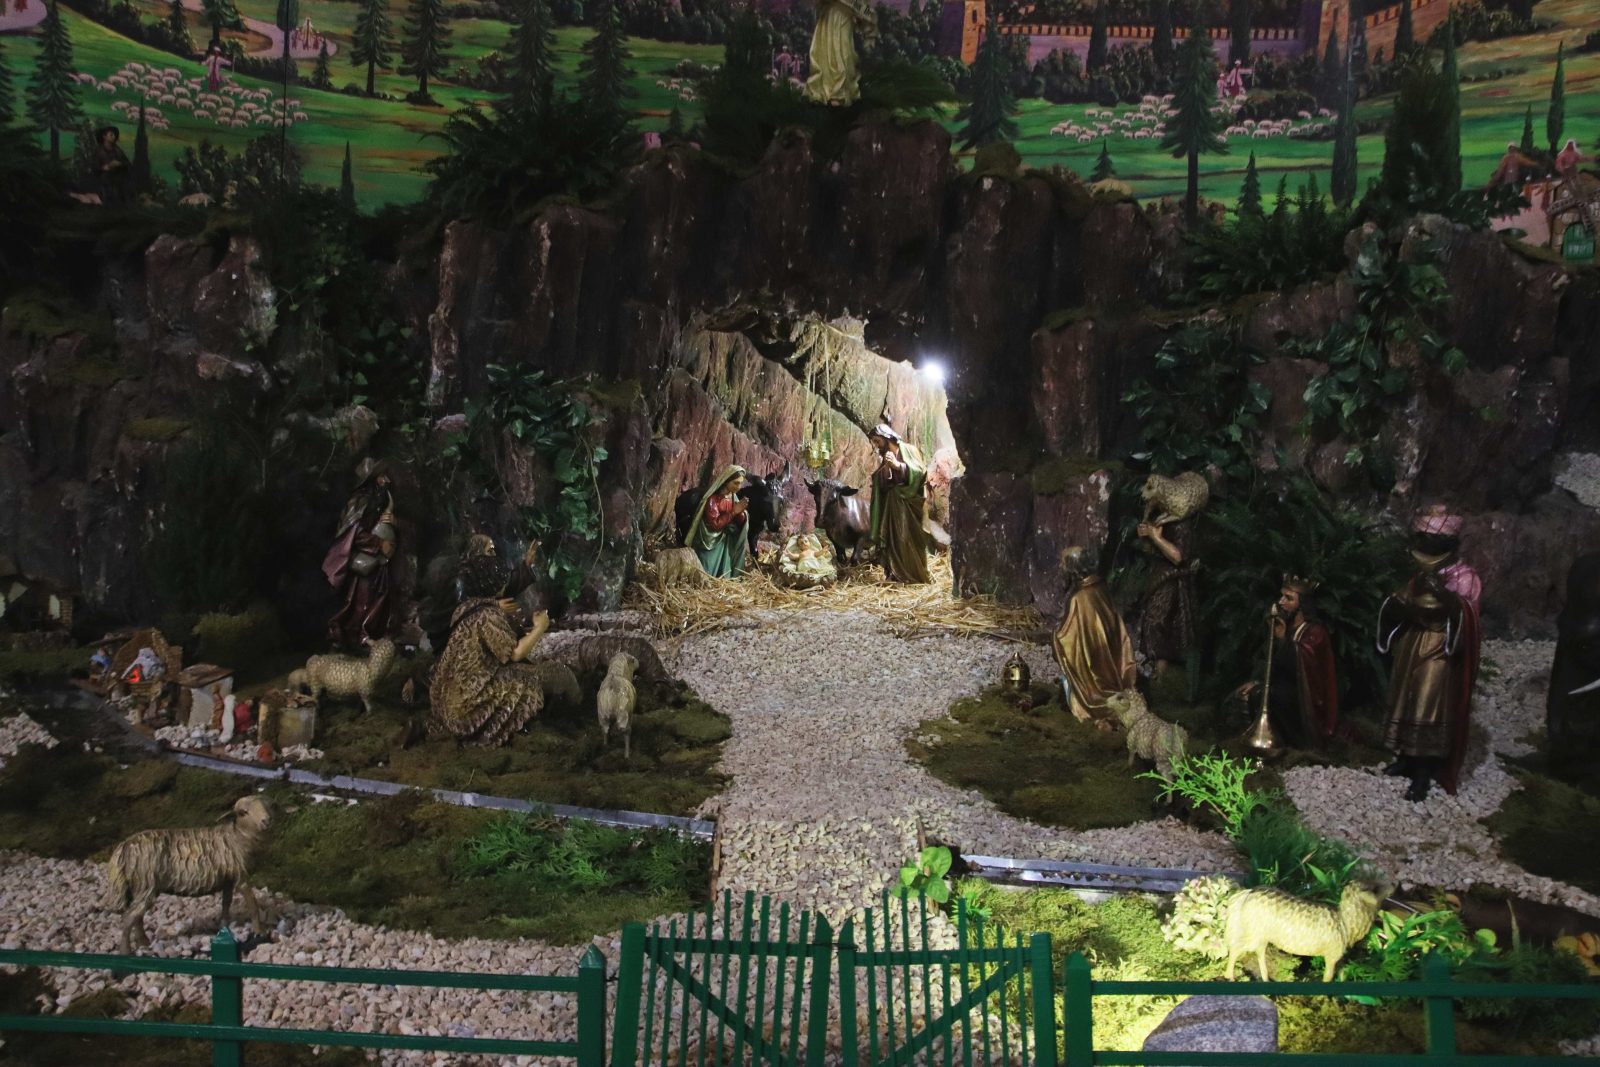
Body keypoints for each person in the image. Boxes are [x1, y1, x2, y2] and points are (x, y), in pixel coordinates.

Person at [1376, 506, 1481, 801]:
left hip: (1440, 646)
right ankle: (1406, 757)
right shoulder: (1420, 572)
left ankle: (1424, 770)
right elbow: (1402, 599)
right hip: (1413, 640)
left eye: (1430, 540)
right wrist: (1399, 603)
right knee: (1406, 696)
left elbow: (1469, 615)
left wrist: (1446, 596)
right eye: (1421, 538)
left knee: (1428, 702)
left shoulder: (1465, 577)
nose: (1424, 546)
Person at [427, 555, 551, 747]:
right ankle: (506, 728)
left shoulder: (465, 608)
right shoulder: (487, 617)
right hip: (462, 711)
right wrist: (540, 628)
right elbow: (516, 653)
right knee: (528, 683)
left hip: (442, 703)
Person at [1236, 575, 1339, 750]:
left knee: (1268, 696)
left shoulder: (1315, 632)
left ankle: (1289, 744)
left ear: (1302, 604)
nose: (1281, 602)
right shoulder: (1286, 626)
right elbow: (1270, 661)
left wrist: (1283, 640)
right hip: (1280, 686)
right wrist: (1258, 680)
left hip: (1304, 697)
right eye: (1281, 596)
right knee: (1247, 693)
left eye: (1289, 598)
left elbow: (1301, 668)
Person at [1051, 545, 1136, 724]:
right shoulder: (1100, 587)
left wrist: (1055, 637)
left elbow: (1068, 638)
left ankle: (1084, 700)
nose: (1060, 567)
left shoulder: (1079, 598)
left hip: (1094, 660)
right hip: (1107, 655)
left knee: (1066, 656)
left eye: (1063, 564)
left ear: (1073, 568)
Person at [323, 461, 397, 649]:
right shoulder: (359, 501)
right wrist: (379, 543)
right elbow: (355, 533)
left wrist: (393, 523)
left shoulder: (379, 499)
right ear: (373, 478)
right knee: (361, 598)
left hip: (377, 559)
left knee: (378, 596)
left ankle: (369, 633)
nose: (386, 480)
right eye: (382, 476)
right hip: (363, 558)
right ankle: (356, 635)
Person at [867, 424, 930, 584]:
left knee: (904, 538)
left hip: (907, 506)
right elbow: (883, 482)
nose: (876, 446)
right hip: (891, 505)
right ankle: (893, 574)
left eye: (877, 441)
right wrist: (882, 474)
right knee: (890, 539)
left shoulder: (909, 450)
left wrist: (898, 466)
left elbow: (920, 472)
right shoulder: (885, 457)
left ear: (887, 437)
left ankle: (910, 576)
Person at [804, 0, 878, 107]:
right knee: (822, 54)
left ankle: (839, 93)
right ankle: (822, 92)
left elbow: (864, 10)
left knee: (843, 54)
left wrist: (868, 28)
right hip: (827, 17)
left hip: (844, 17)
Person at [685, 465, 750, 578]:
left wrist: (742, 514)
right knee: (707, 571)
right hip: (710, 542)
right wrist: (733, 512)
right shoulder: (713, 500)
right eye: (735, 483)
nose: (738, 487)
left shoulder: (733, 498)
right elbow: (715, 524)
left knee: (724, 572)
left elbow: (739, 522)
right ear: (726, 481)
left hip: (725, 543)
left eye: (740, 483)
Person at [93, 126, 130, 205]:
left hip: (118, 176)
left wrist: (119, 164)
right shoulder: (99, 150)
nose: (114, 137)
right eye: (111, 135)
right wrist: (106, 167)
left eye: (114, 135)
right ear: (104, 136)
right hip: (104, 177)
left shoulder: (117, 149)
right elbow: (95, 167)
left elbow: (127, 162)